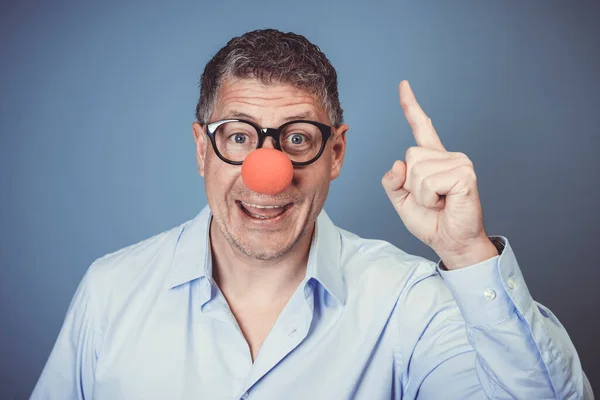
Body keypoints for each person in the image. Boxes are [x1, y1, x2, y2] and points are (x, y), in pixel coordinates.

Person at [32, 29, 593, 400]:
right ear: (203, 150)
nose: (267, 171)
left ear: (337, 153)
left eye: (297, 138)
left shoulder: (411, 302)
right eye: (239, 137)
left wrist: (468, 255)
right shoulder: (111, 292)